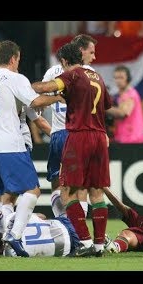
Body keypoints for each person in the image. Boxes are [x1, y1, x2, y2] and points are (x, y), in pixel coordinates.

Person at [0, 40, 63, 257]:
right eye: (18, 59)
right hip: (10, 145)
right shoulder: (15, 78)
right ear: (13, 58)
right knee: (32, 190)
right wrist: (59, 96)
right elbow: (35, 102)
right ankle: (14, 234)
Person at [32, 42, 112, 257]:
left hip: (78, 136)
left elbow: (44, 88)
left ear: (65, 62)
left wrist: (25, 85)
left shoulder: (72, 74)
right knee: (96, 192)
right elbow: (107, 105)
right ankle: (99, 245)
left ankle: (84, 242)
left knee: (67, 191)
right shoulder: (97, 76)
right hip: (98, 136)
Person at [40, 34, 97, 218]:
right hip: (79, 133)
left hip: (57, 134)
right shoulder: (88, 73)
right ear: (80, 51)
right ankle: (78, 233)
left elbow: (40, 102)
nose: (93, 57)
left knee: (57, 182)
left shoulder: (51, 73)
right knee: (80, 185)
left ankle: (63, 223)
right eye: (91, 52)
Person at [0, 212, 80, 257]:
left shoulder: (11, 255)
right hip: (65, 225)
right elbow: (42, 216)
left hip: (70, 247)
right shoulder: (10, 219)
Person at [106, 65, 143, 143]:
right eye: (116, 78)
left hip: (133, 139)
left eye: (121, 77)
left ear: (128, 78)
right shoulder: (119, 95)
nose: (118, 80)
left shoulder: (130, 94)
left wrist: (104, 107)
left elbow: (123, 113)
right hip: (125, 138)